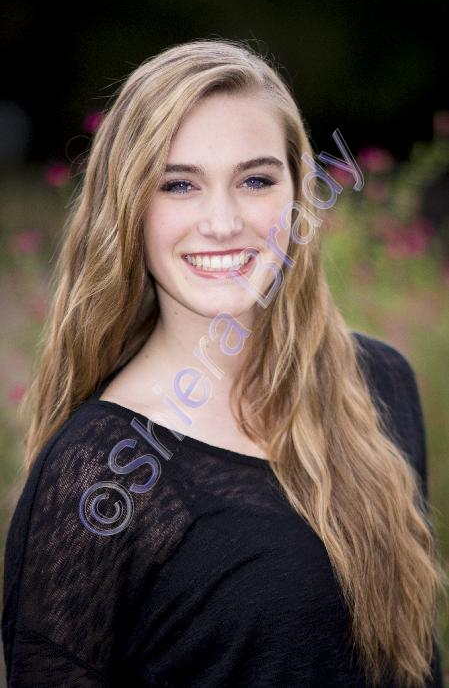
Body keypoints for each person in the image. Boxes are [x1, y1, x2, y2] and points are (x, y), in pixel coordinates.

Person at [1, 38, 447, 687]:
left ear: (298, 195)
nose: (221, 221)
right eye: (179, 184)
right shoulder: (96, 476)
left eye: (255, 180)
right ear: (127, 208)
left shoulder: (379, 383)